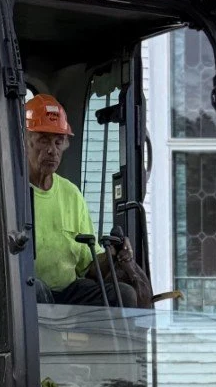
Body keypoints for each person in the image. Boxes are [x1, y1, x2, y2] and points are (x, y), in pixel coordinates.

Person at [21, 95, 151, 305]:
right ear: (25, 142)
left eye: (58, 141)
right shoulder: (7, 193)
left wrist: (112, 254)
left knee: (124, 295)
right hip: (25, 295)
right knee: (34, 288)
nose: (51, 149)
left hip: (68, 292)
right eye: (43, 139)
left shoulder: (72, 195)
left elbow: (87, 266)